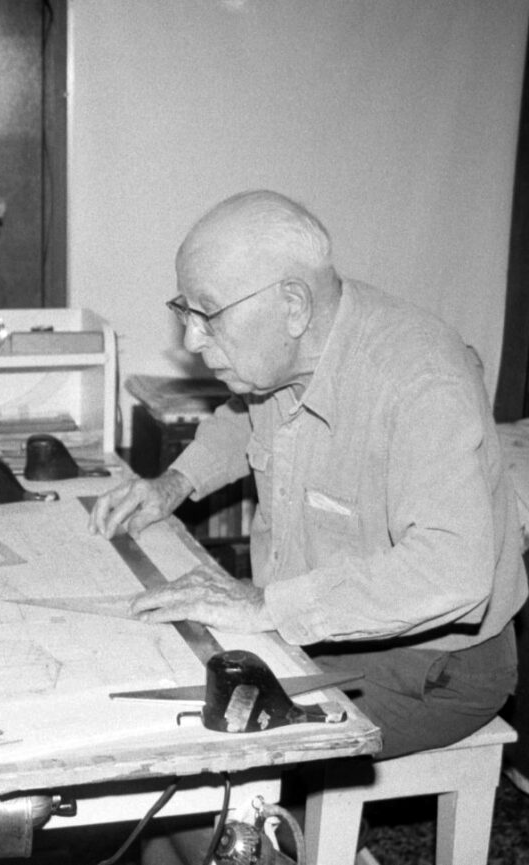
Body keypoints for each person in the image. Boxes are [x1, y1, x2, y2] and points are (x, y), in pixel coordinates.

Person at [89, 190, 527, 761]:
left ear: (293, 304)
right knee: (147, 683)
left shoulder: (420, 381)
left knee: (208, 750)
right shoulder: (287, 357)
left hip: (436, 668)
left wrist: (265, 607)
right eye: (185, 311)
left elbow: (453, 570)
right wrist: (174, 483)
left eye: (207, 313)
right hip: (318, 628)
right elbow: (239, 419)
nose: (193, 340)